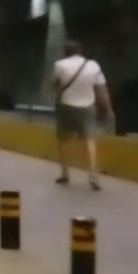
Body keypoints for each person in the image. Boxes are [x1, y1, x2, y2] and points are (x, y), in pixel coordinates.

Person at [52, 40, 114, 190]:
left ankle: (65, 173)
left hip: (66, 106)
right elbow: (101, 89)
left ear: (65, 52)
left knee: (63, 140)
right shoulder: (93, 65)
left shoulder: (60, 65)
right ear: (80, 51)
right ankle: (93, 175)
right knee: (90, 141)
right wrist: (108, 109)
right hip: (87, 107)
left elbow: (53, 85)